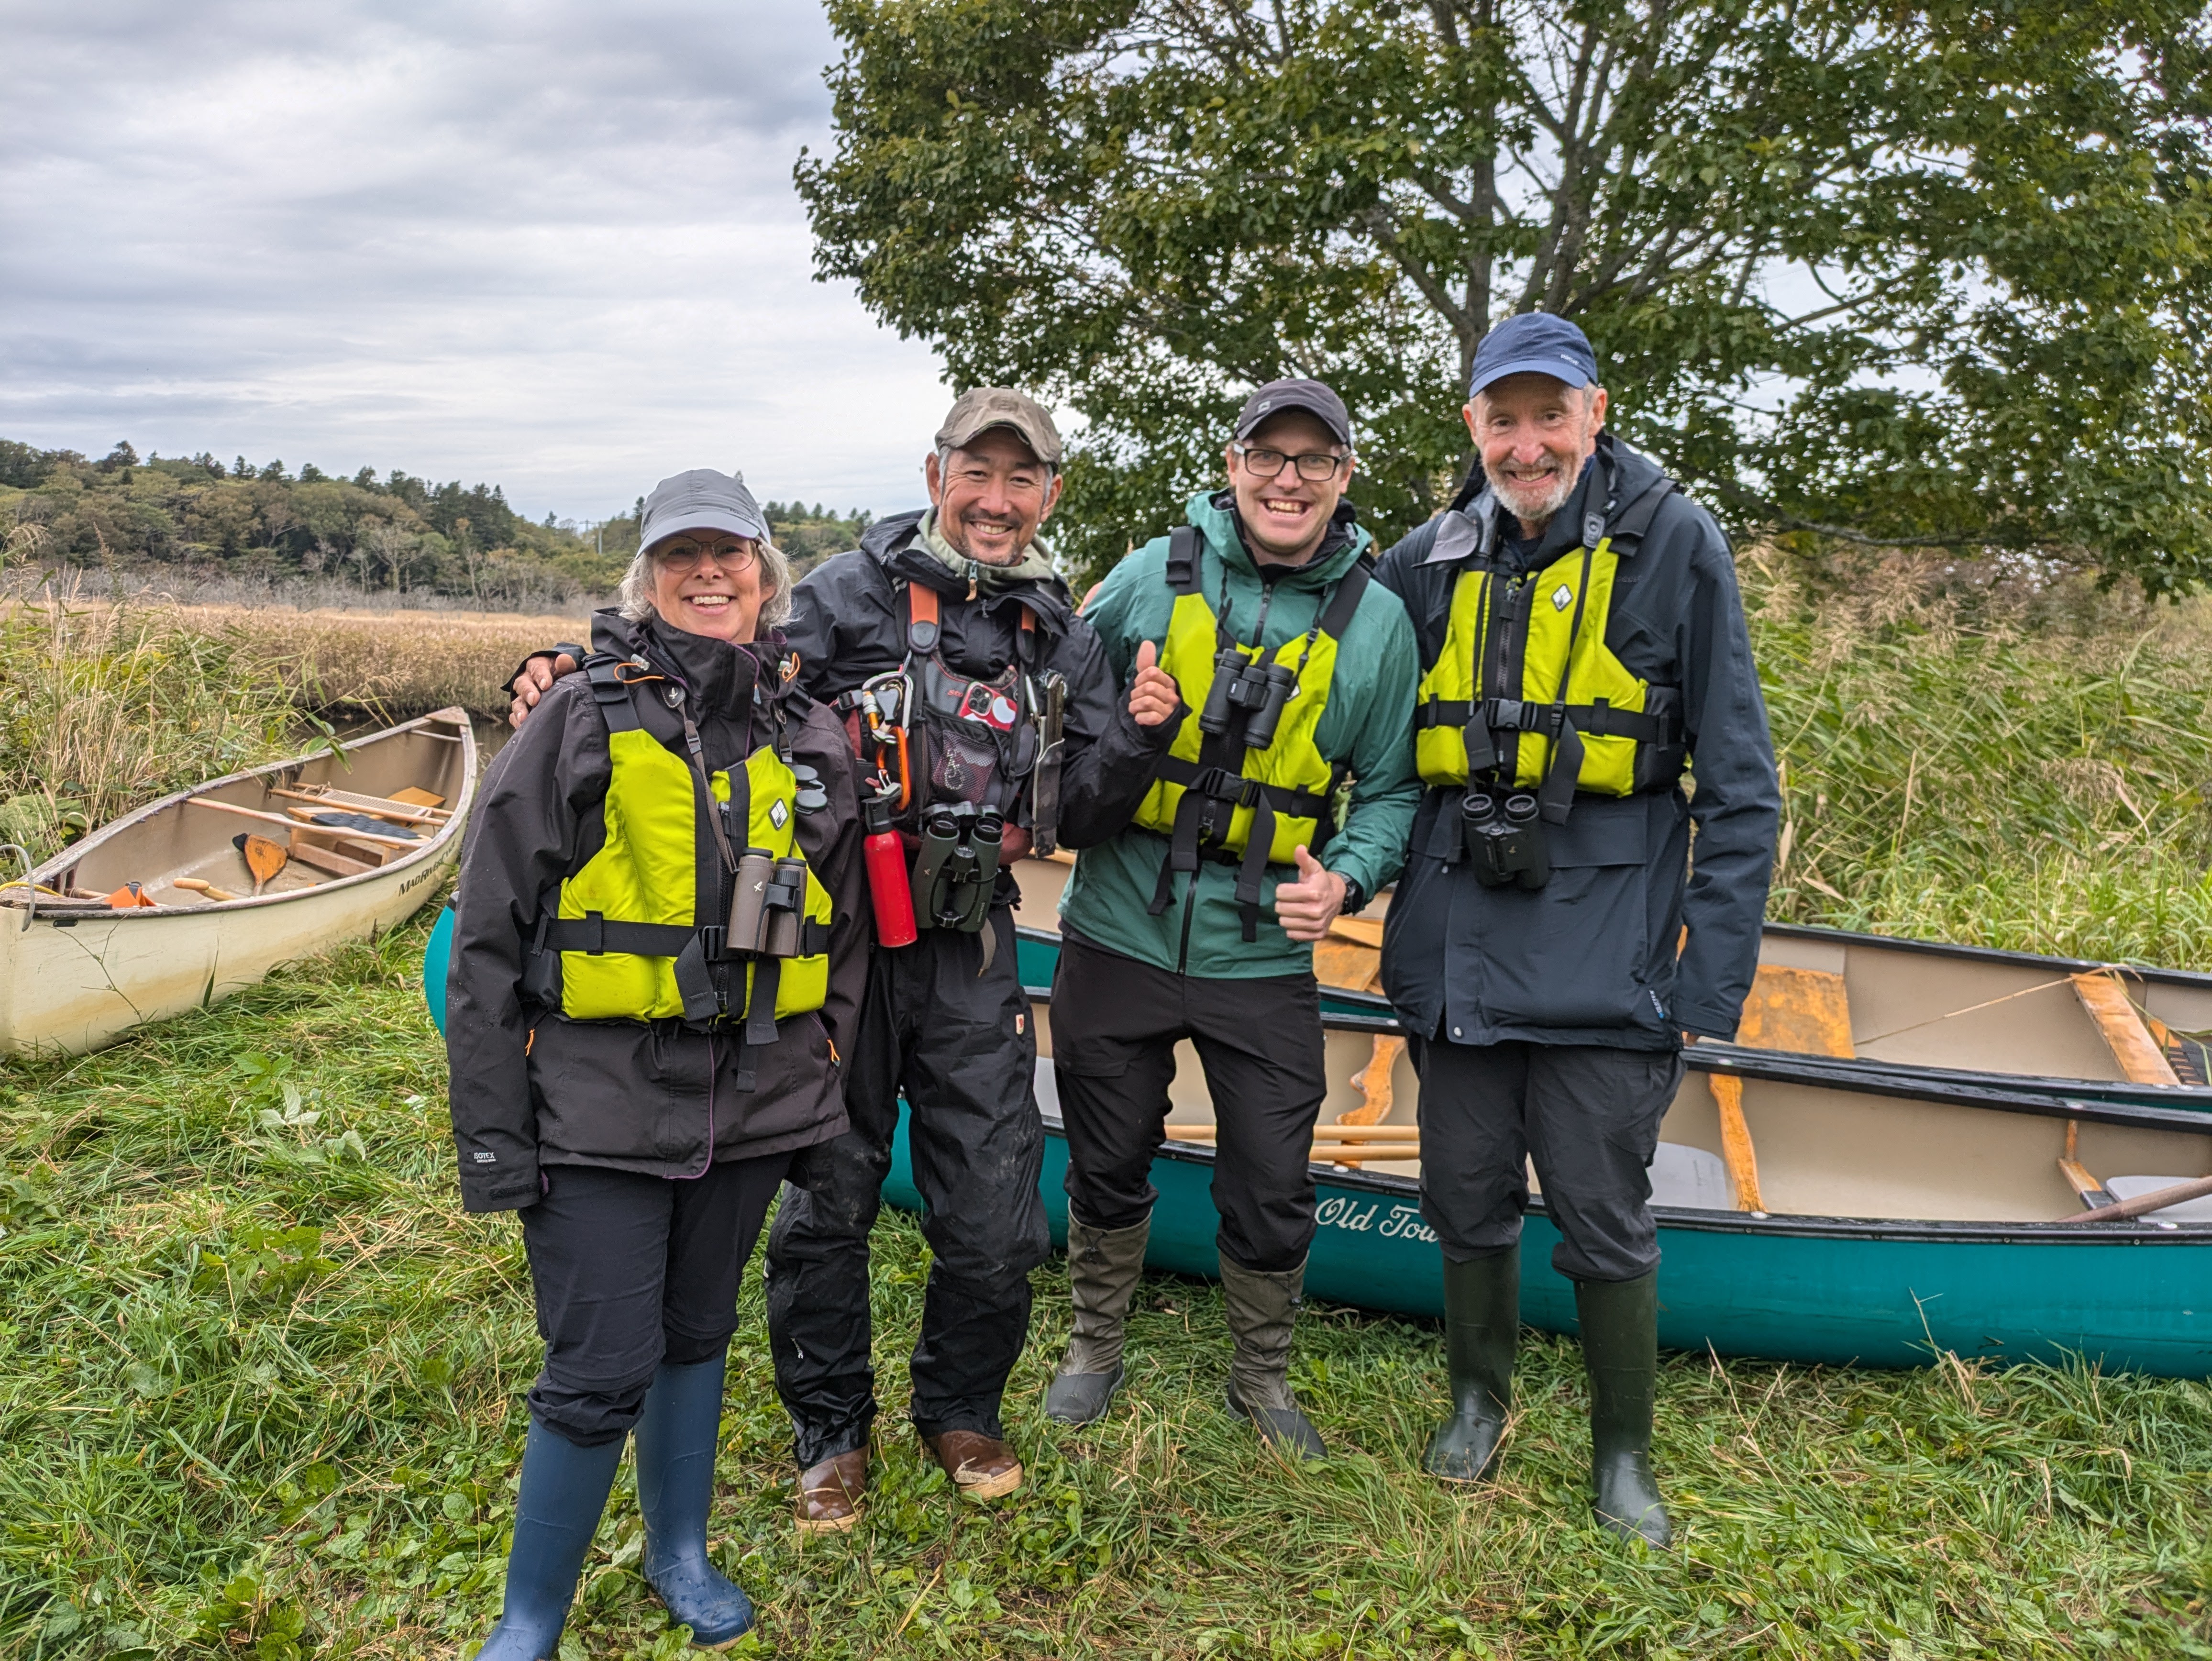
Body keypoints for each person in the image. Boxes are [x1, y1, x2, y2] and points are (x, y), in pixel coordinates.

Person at [505, 390, 1168, 1530]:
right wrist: (575, 661)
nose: (997, 501)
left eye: (1023, 481)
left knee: (999, 1211)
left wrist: (1144, 734)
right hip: (838, 945)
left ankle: (960, 1409)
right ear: (935, 473)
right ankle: (831, 1428)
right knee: (827, 1195)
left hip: (970, 944)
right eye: (979, 473)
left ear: (1048, 495)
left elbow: (1090, 812)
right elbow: (711, 660)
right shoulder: (842, 593)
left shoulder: (1062, 633)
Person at [1372, 313, 1780, 1545]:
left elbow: (1742, 786)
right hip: (1456, 938)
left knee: (1602, 1209)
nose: (1527, 442)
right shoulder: (1423, 558)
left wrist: (1704, 986)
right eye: (1504, 418)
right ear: (1474, 429)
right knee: (1460, 1191)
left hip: (1611, 954)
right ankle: (1474, 1401)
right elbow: (1362, 734)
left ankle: (1621, 1452)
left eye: (1551, 415)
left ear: (1594, 415)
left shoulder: (1676, 545)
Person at [447, 469, 868, 1656]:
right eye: (680, 555)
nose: (707, 574)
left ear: (765, 573)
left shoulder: (807, 728)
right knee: (598, 1362)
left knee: (697, 1331)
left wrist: (818, 1061)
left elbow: (836, 929)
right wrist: (493, 1133)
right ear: (645, 576)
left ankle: (676, 1550)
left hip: (750, 1102)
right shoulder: (575, 716)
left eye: (728, 553)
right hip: (594, 1104)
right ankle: (529, 1617)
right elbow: (487, 937)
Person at [1042, 379, 1420, 1458]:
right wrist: (1131, 728)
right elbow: (1060, 725)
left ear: (1343, 478)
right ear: (1232, 461)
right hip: (1117, 920)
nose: (1288, 479)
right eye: (1269, 455)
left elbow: (1392, 789)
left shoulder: (1379, 622)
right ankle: (1092, 1344)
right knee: (1107, 1153)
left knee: (1270, 1168)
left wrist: (1344, 875)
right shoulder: (1143, 579)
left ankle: (1260, 1375)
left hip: (1261, 946)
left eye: (1314, 461)